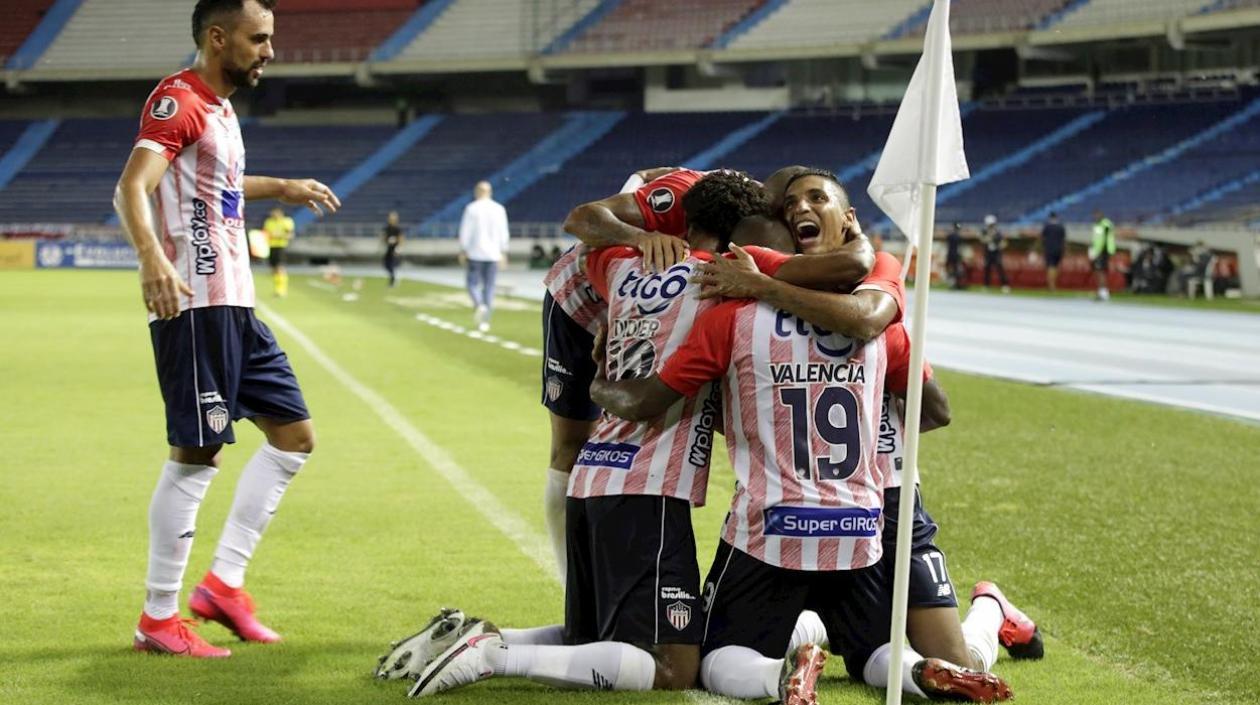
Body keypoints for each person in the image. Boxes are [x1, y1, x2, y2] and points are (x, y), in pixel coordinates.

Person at [585, 171, 1011, 704]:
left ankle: (990, 610)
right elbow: (935, 409)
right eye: (792, 207)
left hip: (790, 521)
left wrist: (601, 372)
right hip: (867, 516)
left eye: (815, 198)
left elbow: (650, 397)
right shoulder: (884, 317)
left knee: (713, 658)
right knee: (880, 649)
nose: (801, 210)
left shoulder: (743, 312)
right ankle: (911, 672)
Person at [400, 172, 775, 698]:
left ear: (683, 222)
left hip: (591, 476)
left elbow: (587, 247)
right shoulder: (727, 289)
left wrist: (603, 354)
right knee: (673, 666)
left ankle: (469, 638)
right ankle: (491, 658)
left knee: (590, 638)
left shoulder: (621, 267)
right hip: (648, 490)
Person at [113, 0, 340, 659]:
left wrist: (283, 187)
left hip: (237, 306)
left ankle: (222, 585)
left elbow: (219, 183)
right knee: (198, 451)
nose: (270, 50)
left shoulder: (221, 106)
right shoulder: (178, 100)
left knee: (294, 438)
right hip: (197, 306)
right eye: (258, 38)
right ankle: (159, 615)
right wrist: (153, 258)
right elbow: (133, 186)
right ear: (218, 38)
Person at [458, 180, 509, 332]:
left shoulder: (471, 208)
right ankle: (485, 322)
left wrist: (463, 249)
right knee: (489, 287)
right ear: (490, 192)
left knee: (472, 284)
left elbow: (466, 231)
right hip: (493, 254)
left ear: (477, 192)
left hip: (475, 253)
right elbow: (503, 232)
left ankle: (479, 304)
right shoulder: (499, 209)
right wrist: (503, 252)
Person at [262, 207, 294, 297]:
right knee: (273, 269)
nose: (273, 214)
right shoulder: (269, 222)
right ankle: (277, 289)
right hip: (270, 247)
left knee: (280, 268)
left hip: (281, 247)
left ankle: (282, 290)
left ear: (280, 213)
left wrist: (279, 235)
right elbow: (265, 233)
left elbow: (290, 235)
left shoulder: (287, 221)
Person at [1090, 210, 1115, 301]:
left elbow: (1105, 239)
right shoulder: (1097, 225)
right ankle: (1101, 291)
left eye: (1097, 214)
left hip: (1103, 251)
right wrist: (1093, 249)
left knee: (1101, 271)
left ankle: (1104, 293)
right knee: (1098, 271)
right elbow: (1096, 239)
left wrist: (1100, 251)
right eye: (1094, 215)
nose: (1095, 217)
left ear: (1101, 215)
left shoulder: (1106, 224)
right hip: (1097, 251)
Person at [981, 214, 1009, 293]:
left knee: (999, 268)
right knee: (987, 269)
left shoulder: (998, 232)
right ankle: (986, 285)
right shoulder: (985, 232)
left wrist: (1000, 245)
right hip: (988, 253)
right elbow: (983, 240)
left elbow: (1004, 242)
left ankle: (1004, 285)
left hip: (996, 253)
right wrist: (990, 237)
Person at [1040, 213, 1065, 292]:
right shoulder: (1061, 227)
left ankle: (1051, 285)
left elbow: (1042, 238)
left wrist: (1043, 247)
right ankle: (1053, 284)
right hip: (1058, 249)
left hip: (1049, 249)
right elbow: (1063, 240)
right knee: (1056, 267)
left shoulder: (1047, 227)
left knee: (1050, 267)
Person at [382, 210, 403, 287]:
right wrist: (387, 240)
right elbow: (384, 237)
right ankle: (393, 278)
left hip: (395, 250)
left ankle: (393, 280)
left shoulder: (397, 228)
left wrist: (398, 248)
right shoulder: (387, 228)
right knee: (386, 265)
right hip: (389, 249)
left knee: (392, 265)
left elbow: (401, 238)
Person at [946, 222, 965, 289]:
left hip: (951, 254)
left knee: (952, 270)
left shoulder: (950, 236)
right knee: (955, 270)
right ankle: (956, 284)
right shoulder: (958, 237)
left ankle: (953, 283)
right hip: (955, 255)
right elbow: (960, 248)